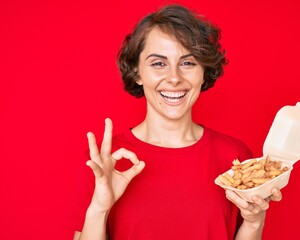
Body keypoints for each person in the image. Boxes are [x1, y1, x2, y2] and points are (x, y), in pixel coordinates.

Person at [72, 4, 282, 240]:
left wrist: (254, 223)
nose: (174, 78)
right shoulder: (106, 162)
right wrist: (99, 209)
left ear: (203, 71)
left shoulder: (234, 158)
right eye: (158, 63)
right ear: (137, 72)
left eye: (187, 63)